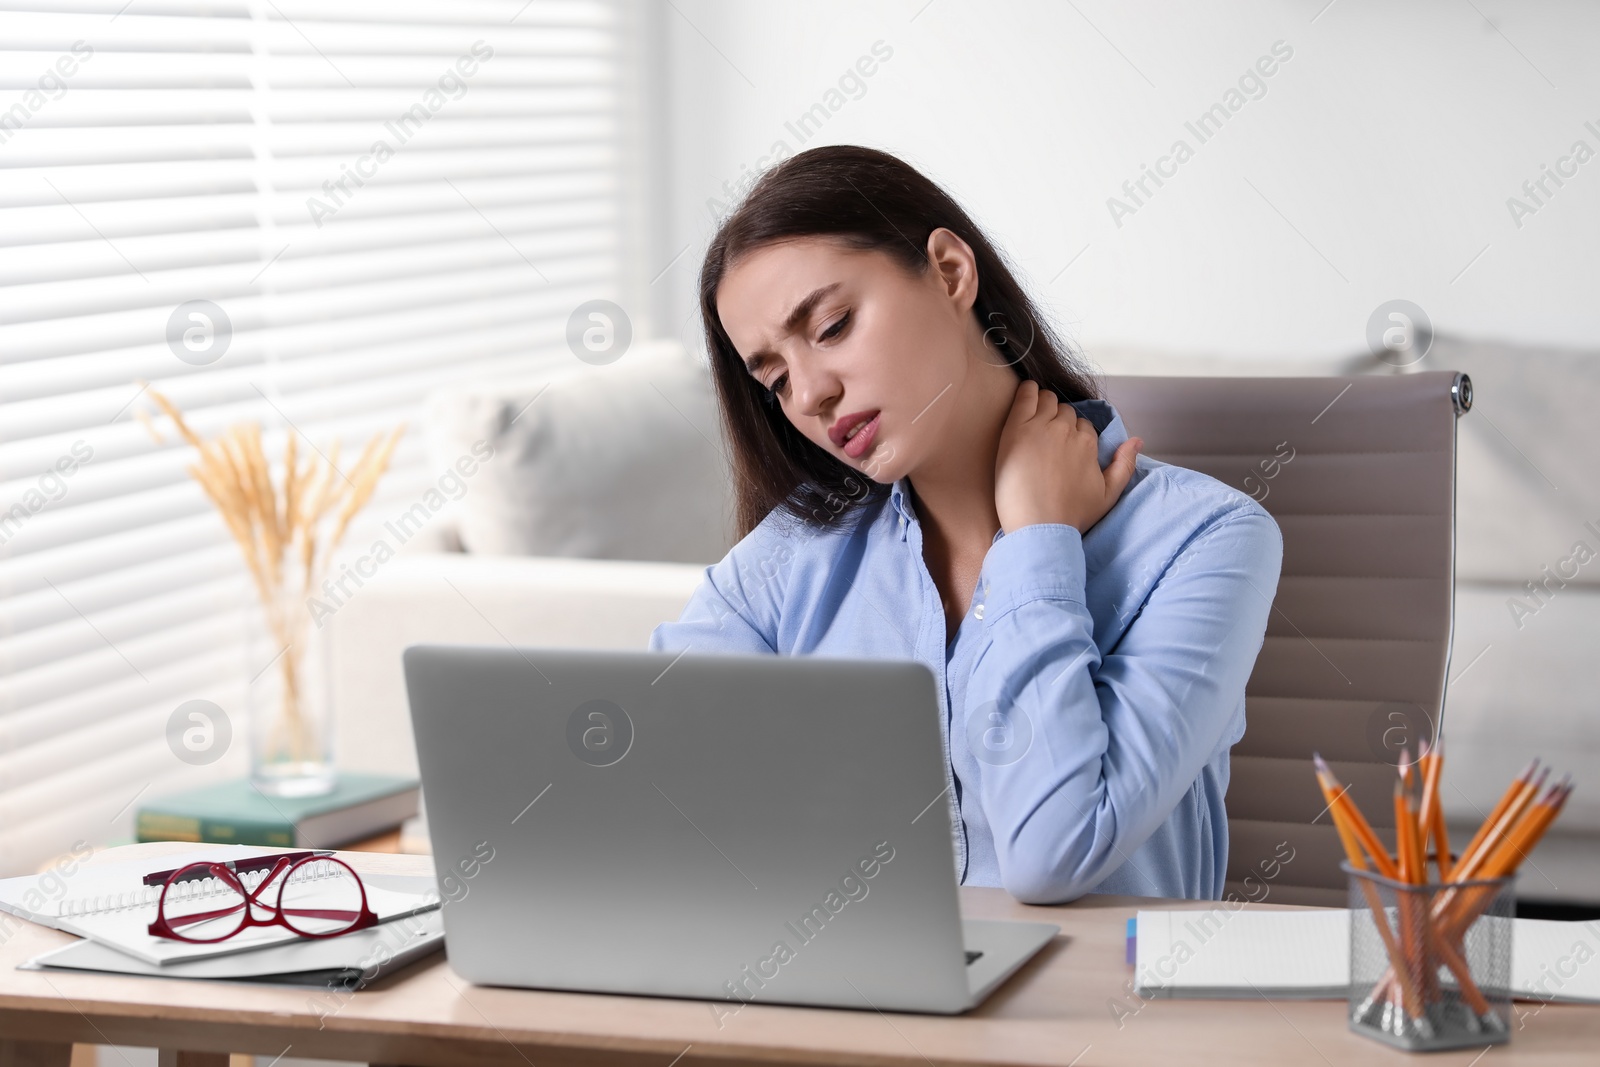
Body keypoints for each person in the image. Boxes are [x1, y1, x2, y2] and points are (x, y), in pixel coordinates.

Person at [648, 145, 1283, 904]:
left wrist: (1036, 544)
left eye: (833, 325)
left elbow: (1055, 854)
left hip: (1098, 1015)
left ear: (951, 270)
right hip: (848, 1009)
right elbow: (652, 798)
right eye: (775, 378)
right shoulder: (787, 562)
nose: (811, 393)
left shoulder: (1205, 540)